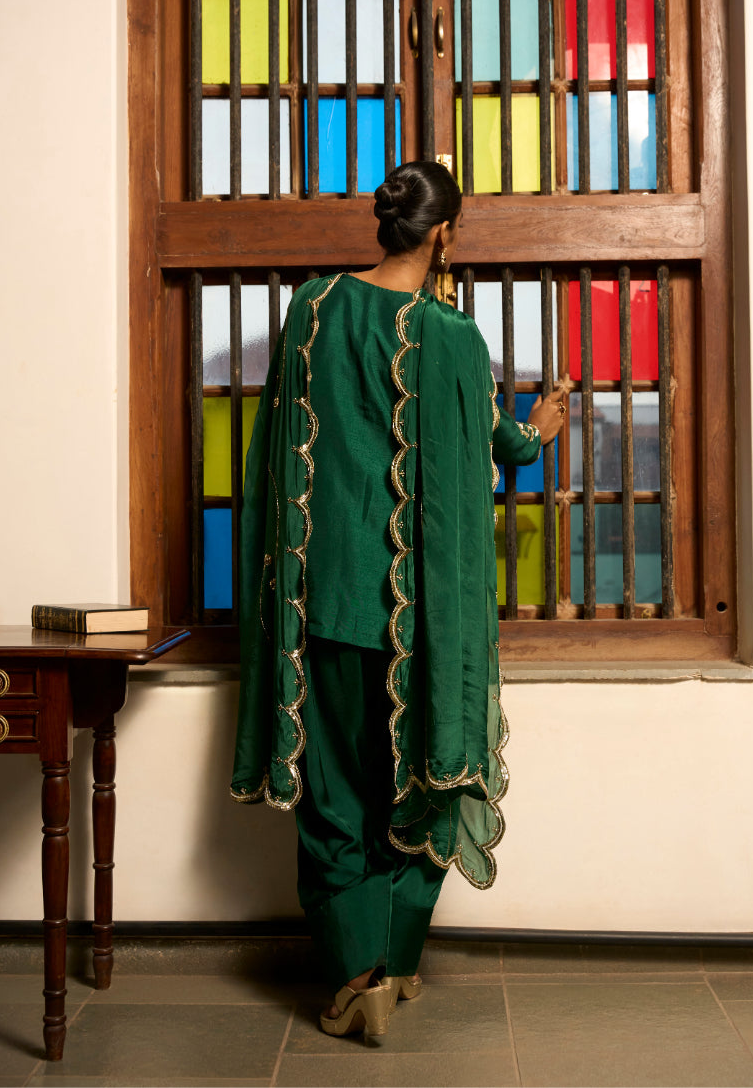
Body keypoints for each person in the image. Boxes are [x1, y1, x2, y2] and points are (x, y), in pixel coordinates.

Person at [230, 161, 566, 1038]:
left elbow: (278, 445)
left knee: (334, 793)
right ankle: (401, 958)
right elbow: (498, 445)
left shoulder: (313, 309)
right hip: (418, 617)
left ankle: (359, 977)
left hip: (324, 603)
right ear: (444, 234)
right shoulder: (452, 337)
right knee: (422, 780)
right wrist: (537, 429)